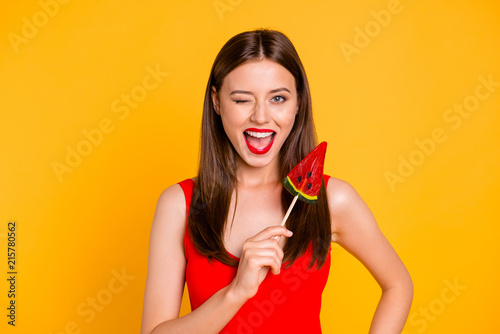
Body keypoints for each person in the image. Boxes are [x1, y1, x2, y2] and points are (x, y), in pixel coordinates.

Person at [140, 28, 413, 334]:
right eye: (242, 100)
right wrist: (236, 292)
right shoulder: (180, 204)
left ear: (298, 104)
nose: (260, 117)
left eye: (278, 99)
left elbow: (398, 285)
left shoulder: (332, 199)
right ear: (216, 102)